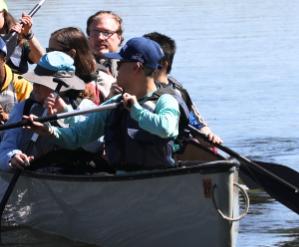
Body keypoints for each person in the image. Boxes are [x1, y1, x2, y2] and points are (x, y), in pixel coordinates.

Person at [25, 37, 189, 173]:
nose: (115, 68)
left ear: (135, 68)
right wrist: (48, 131)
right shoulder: (114, 104)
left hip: (156, 179)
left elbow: (167, 128)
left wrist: (136, 110)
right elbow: (77, 137)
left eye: (119, 64)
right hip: (122, 180)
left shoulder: (166, 100)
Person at [0, 52, 95, 172]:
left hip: (75, 176)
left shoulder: (84, 106)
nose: (35, 85)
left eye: (42, 82)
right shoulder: (22, 109)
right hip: (35, 174)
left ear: (62, 86)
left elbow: (96, 145)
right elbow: (5, 149)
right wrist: (12, 157)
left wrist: (67, 113)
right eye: (35, 80)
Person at [143, 32, 223, 146]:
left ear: (163, 64)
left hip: (170, 152)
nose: (138, 63)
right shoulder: (131, 87)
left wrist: (209, 137)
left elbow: (199, 125)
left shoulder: (178, 93)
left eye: (145, 59)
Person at [46, 27, 108, 105]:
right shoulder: (48, 80)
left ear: (71, 54)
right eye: (48, 51)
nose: (48, 56)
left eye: (53, 52)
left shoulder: (103, 82)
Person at [85, 11, 124, 98]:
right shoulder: (79, 68)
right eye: (95, 33)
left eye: (107, 32)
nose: (100, 38)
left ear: (119, 36)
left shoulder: (132, 67)